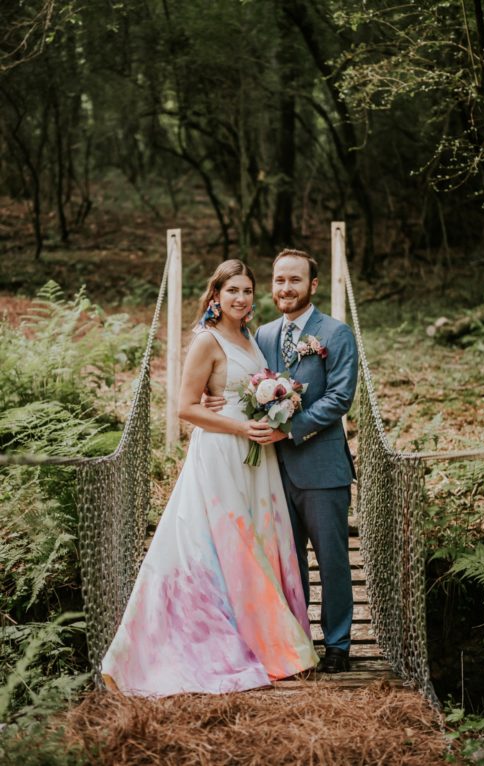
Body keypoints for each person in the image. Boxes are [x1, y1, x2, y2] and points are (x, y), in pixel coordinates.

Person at [101, 259, 318, 695]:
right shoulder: (206, 339)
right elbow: (185, 408)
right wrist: (242, 425)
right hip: (222, 453)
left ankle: (268, 638)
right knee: (227, 542)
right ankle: (228, 641)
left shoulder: (250, 337)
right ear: (215, 295)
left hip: (256, 454)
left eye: (246, 291)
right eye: (231, 290)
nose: (240, 298)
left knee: (257, 539)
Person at [249, 249, 358, 674]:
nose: (285, 288)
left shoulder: (335, 333)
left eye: (295, 280)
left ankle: (338, 645)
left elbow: (339, 398)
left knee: (332, 561)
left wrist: (289, 430)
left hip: (322, 468)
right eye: (279, 280)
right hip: (274, 470)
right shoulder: (263, 335)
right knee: (287, 561)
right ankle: (297, 643)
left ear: (313, 285)